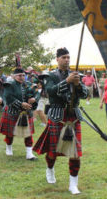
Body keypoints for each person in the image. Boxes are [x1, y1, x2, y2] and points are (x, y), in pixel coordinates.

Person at [33, 47, 88, 194]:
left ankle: (73, 184)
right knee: (53, 151)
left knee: (75, 152)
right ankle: (50, 169)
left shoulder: (76, 74)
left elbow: (85, 94)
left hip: (73, 117)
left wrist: (77, 84)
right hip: (57, 116)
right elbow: (50, 91)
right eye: (64, 57)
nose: (67, 60)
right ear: (57, 59)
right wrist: (67, 81)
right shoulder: (49, 76)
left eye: (68, 57)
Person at [0, 62, 38, 160]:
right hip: (12, 112)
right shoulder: (9, 84)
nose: (22, 77)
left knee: (28, 133)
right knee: (10, 133)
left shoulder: (28, 84)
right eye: (19, 75)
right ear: (14, 76)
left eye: (23, 75)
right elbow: (8, 97)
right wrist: (20, 104)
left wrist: (33, 99)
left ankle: (29, 154)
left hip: (26, 112)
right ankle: (9, 148)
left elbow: (33, 95)